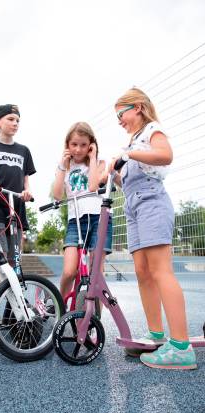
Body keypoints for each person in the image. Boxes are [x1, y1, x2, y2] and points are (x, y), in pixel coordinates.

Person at [109, 87, 197, 370]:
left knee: (160, 271)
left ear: (137, 107)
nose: (119, 120)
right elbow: (130, 181)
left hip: (152, 202)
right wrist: (116, 175)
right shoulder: (133, 141)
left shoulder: (151, 131)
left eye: (121, 114)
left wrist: (130, 154)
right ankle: (157, 336)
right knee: (143, 272)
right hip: (133, 206)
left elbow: (165, 155)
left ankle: (181, 347)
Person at [0, 104, 36, 314]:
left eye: (17, 120)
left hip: (17, 208)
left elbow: (26, 180)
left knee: (14, 258)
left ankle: (12, 306)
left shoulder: (24, 150)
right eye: (11, 119)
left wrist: (28, 191)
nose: (15, 123)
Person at [53, 122, 113, 304]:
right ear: (67, 145)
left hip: (99, 219)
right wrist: (63, 166)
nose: (78, 150)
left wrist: (93, 158)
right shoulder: (64, 166)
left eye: (83, 145)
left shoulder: (100, 163)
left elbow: (93, 186)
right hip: (75, 221)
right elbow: (57, 195)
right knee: (70, 270)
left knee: (96, 274)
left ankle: (95, 320)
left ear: (91, 145)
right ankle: (59, 304)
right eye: (74, 145)